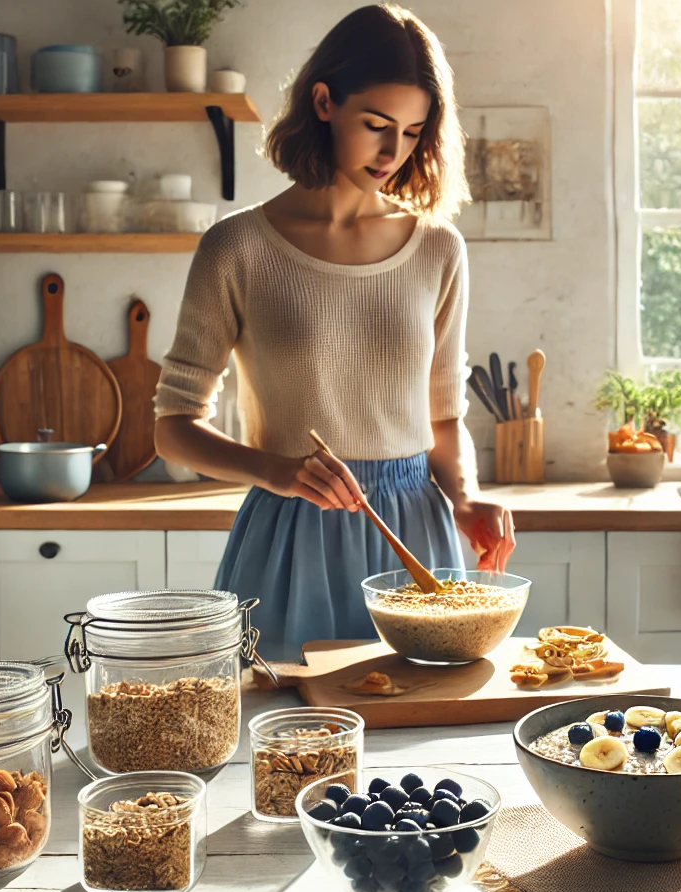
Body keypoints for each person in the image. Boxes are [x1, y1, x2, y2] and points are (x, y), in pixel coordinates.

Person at [153, 3, 515, 661]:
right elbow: (173, 427)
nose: (392, 151)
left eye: (412, 131)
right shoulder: (236, 247)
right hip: (293, 532)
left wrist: (466, 498)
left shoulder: (439, 250)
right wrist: (280, 472)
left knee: (420, 727)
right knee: (286, 738)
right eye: (375, 125)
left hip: (416, 530)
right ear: (323, 101)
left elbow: (442, 419)